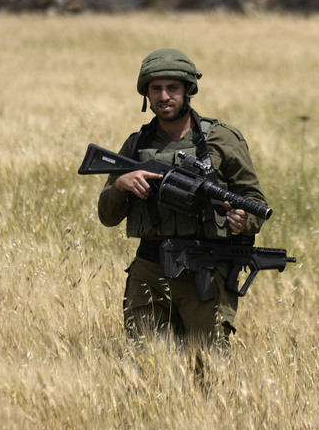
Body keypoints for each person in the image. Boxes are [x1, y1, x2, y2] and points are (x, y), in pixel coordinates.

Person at [97, 48, 268, 347]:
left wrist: (244, 220)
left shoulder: (223, 139)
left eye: (172, 88)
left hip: (205, 269)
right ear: (146, 95)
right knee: (146, 363)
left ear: (187, 90)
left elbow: (254, 199)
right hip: (149, 269)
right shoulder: (137, 144)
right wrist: (122, 184)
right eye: (156, 89)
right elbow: (107, 217)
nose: (164, 96)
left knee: (209, 364)